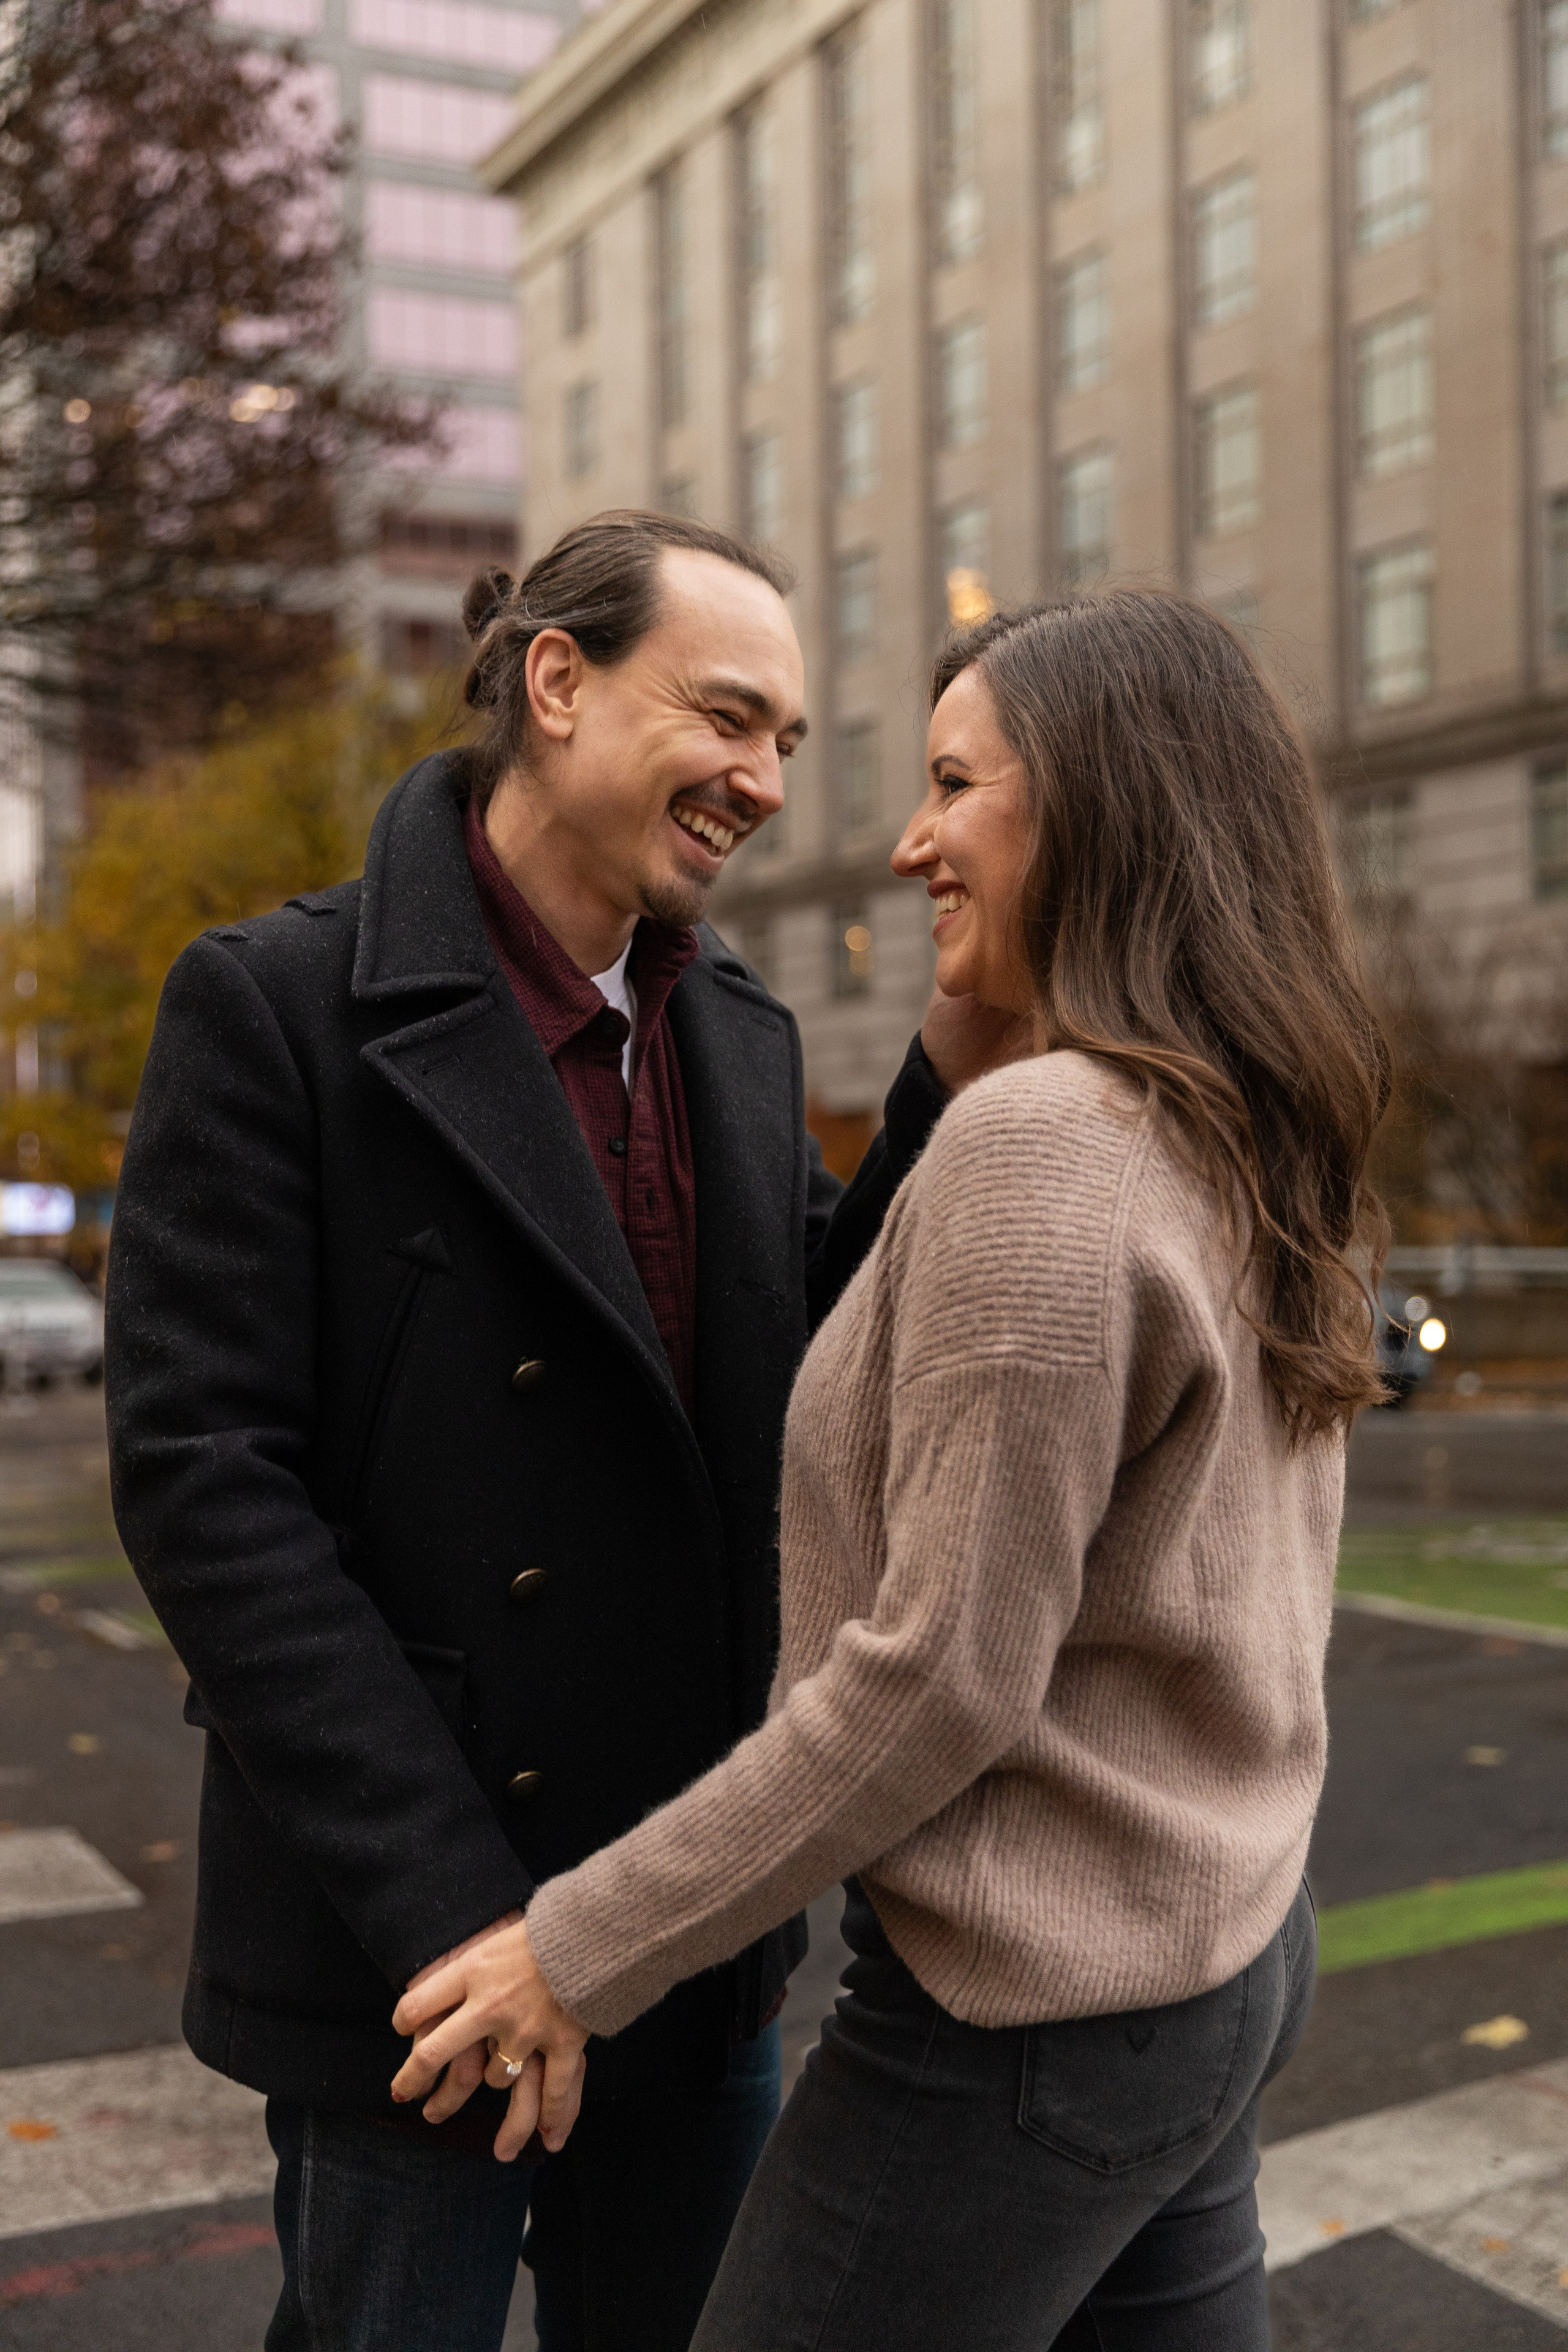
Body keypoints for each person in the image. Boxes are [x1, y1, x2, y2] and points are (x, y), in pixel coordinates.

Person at [393, 587, 1392, 2351]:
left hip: (1023, 2029)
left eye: (954, 783)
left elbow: (936, 1680)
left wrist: (576, 1953)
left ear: (1099, 803)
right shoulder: (1238, 1118)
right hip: (1225, 1952)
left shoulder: (1051, 1146)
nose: (910, 838)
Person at [104, 510, 951, 2352]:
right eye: (729, 717)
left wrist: (950, 1069)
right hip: (421, 1960)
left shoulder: (734, 1025)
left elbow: (812, 1370)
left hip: (680, 1928)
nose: (763, 782)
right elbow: (205, 1489)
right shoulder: (274, 1007)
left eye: (789, 745)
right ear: (555, 685)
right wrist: (472, 1929)